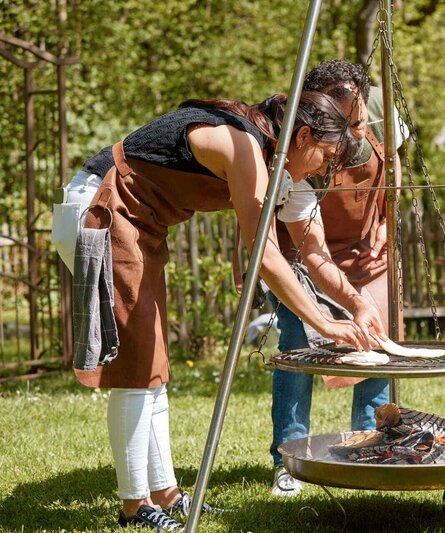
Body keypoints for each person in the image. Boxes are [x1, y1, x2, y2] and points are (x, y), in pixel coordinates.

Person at [53, 91, 380, 531]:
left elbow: (310, 252)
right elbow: (264, 253)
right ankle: (135, 507)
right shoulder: (243, 147)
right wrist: (322, 321)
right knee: (134, 370)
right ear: (303, 136)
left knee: (153, 368)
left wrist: (353, 304)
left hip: (138, 224)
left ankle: (166, 495)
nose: (324, 169)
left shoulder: (272, 162)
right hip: (101, 209)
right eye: (325, 156)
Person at [268, 59, 408, 497]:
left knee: (377, 342)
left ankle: (367, 448)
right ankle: (289, 458)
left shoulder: (383, 110)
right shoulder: (299, 133)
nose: (356, 134)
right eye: (344, 126)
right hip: (302, 254)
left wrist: (386, 222)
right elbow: (306, 246)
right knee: (298, 344)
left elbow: (395, 172)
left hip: (366, 253)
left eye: (360, 121)